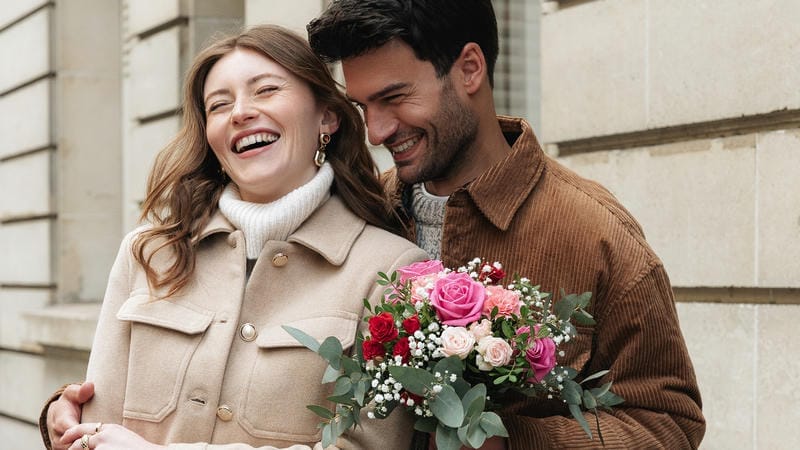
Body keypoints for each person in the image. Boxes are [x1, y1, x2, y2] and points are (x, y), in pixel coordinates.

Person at [306, 1, 706, 449]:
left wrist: (513, 441)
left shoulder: (595, 231)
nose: (376, 132)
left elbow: (668, 425)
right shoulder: (359, 213)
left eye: (394, 98)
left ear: (470, 69)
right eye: (362, 107)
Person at [40, 24, 427, 450]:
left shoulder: (393, 272)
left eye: (265, 90)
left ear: (327, 116)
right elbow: (96, 426)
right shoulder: (149, 251)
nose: (240, 112)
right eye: (219, 104)